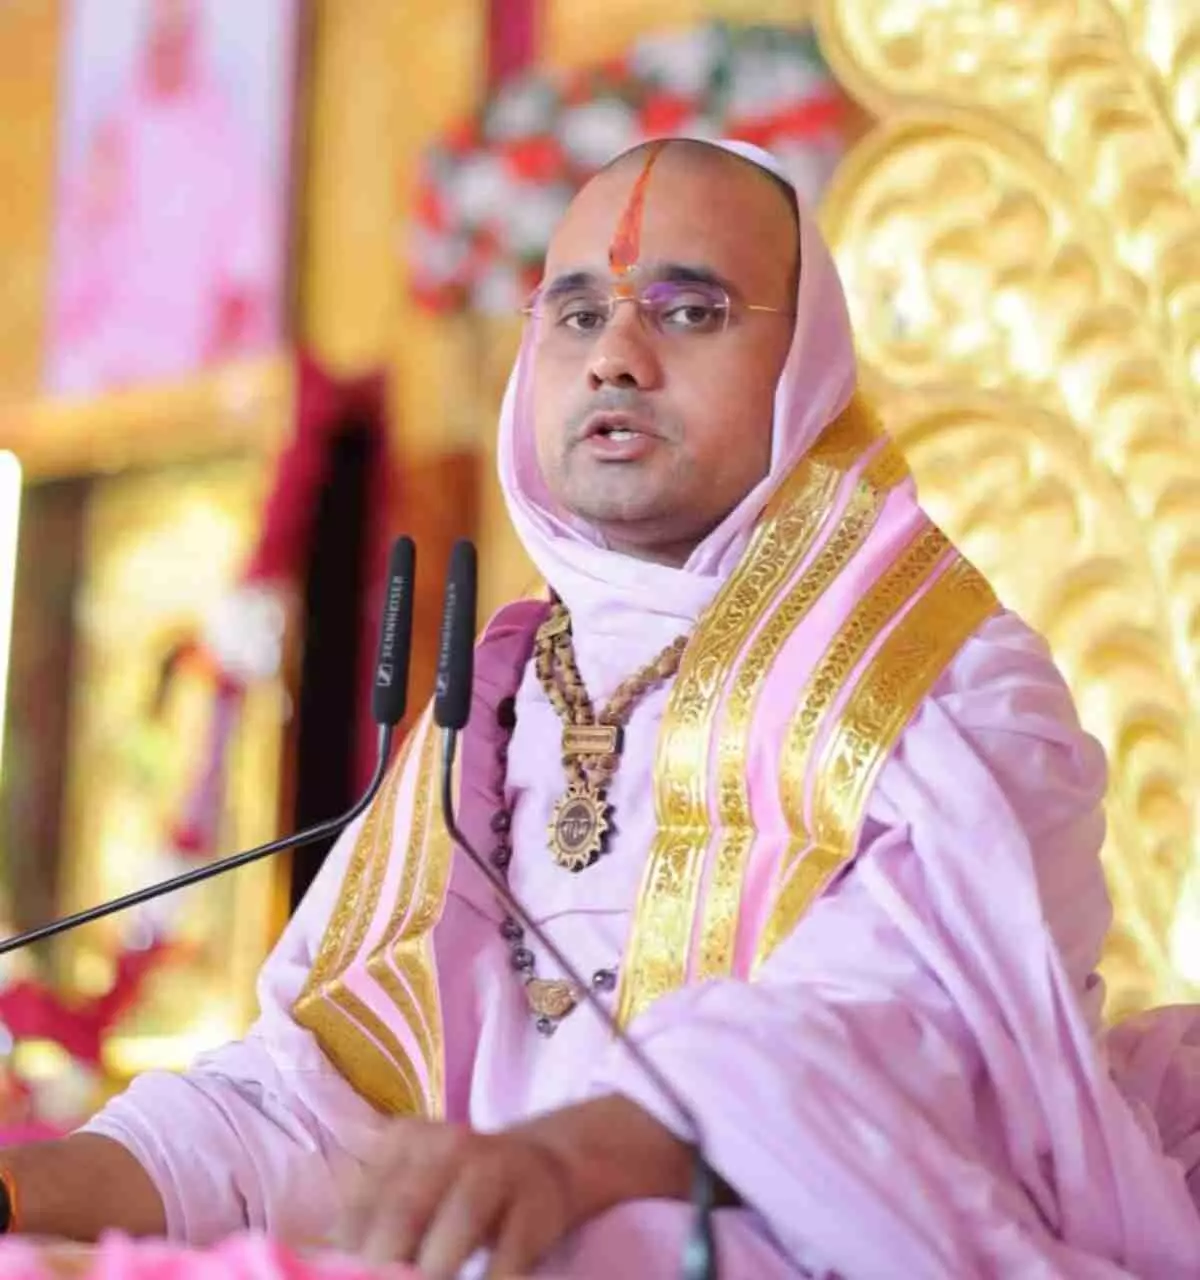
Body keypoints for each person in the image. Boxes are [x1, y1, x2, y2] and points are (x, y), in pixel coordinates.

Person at [5, 137, 1200, 1279]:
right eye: (576, 315)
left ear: (808, 367)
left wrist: (562, 1165)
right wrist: (24, 1189)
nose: (614, 357)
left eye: (689, 311)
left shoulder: (946, 687)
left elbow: (888, 1051)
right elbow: (304, 1105)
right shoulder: (487, 710)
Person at [47, 0, 279, 396]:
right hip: (99, 364)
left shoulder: (225, 148)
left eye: (176, 33)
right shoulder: (114, 130)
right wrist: (91, 214)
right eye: (158, 32)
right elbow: (68, 273)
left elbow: (244, 282)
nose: (165, 45)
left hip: (184, 369)